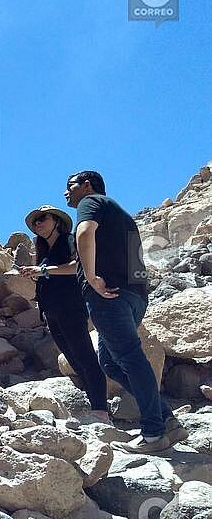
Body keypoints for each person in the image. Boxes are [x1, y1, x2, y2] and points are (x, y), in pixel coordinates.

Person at [65, 170, 188, 453]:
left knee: (131, 359)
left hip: (109, 297)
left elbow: (84, 234)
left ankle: (154, 434)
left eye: (69, 185)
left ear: (87, 185)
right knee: (109, 362)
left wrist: (94, 279)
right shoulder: (122, 215)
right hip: (133, 297)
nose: (65, 192)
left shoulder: (91, 202)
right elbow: (93, 260)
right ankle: (168, 421)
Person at [18, 205, 109, 423]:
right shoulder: (44, 251)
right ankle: (96, 405)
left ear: (56, 222)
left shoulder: (69, 240)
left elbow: (79, 266)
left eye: (42, 219)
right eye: (35, 222)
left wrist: (43, 271)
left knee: (85, 355)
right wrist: (36, 274)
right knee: (73, 358)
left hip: (70, 307)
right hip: (51, 312)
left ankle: (101, 411)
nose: (38, 224)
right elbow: (51, 274)